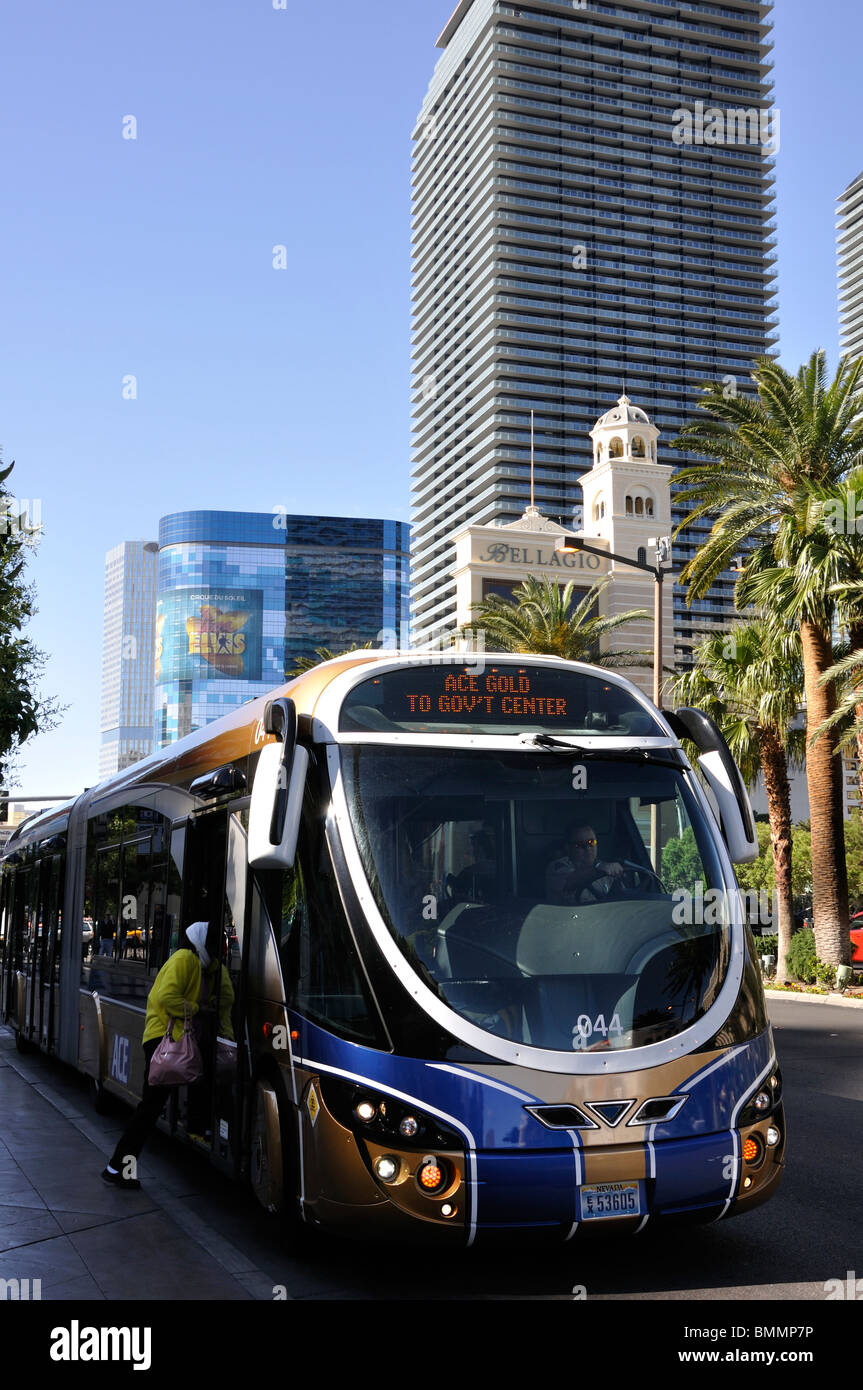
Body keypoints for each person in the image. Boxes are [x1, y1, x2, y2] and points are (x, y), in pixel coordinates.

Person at [100, 921, 234, 1190]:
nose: (221, 948)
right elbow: (165, 997)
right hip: (163, 1042)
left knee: (158, 1104)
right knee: (150, 1107)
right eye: (216, 943)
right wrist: (197, 1008)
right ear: (201, 942)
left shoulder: (212, 967)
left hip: (183, 1044)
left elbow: (227, 999)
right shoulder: (184, 959)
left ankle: (201, 1130)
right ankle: (117, 1167)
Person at [545, 822, 624, 905]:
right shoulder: (557, 867)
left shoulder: (603, 867)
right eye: (580, 845)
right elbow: (571, 881)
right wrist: (599, 869)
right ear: (568, 848)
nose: (588, 848)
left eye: (591, 842)